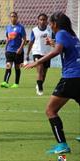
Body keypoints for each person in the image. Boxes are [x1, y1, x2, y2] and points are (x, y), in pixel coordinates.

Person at [25, 12, 80, 154]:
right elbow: (67, 48)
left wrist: (37, 61)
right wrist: (54, 43)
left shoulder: (61, 33)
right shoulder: (72, 36)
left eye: (50, 23)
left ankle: (62, 146)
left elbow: (57, 51)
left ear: (55, 24)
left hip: (70, 78)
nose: (50, 26)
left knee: (50, 111)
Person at [26, 13, 53, 96]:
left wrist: (52, 43)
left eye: (44, 19)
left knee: (44, 73)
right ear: (38, 20)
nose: (42, 21)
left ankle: (39, 84)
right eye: (40, 19)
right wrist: (27, 53)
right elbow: (31, 42)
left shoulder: (50, 30)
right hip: (37, 52)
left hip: (47, 53)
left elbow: (54, 40)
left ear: (46, 20)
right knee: (40, 70)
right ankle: (40, 88)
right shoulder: (34, 30)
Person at [0, 12, 26, 88]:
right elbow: (8, 38)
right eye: (11, 16)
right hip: (9, 50)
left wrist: (20, 48)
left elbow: (24, 39)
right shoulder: (8, 27)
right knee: (8, 66)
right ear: (9, 18)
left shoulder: (21, 27)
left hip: (18, 51)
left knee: (17, 67)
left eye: (14, 16)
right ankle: (5, 82)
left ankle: (16, 83)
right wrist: (5, 48)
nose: (13, 18)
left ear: (17, 17)